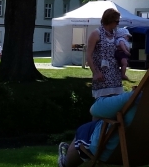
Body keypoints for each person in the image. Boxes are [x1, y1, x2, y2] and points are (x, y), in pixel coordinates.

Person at [58, 10, 137, 166]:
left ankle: (104, 144)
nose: (117, 24)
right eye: (116, 21)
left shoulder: (115, 34)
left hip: (114, 76)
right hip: (102, 77)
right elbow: (89, 54)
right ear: (109, 20)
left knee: (115, 110)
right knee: (100, 109)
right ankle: (93, 141)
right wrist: (95, 72)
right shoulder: (96, 34)